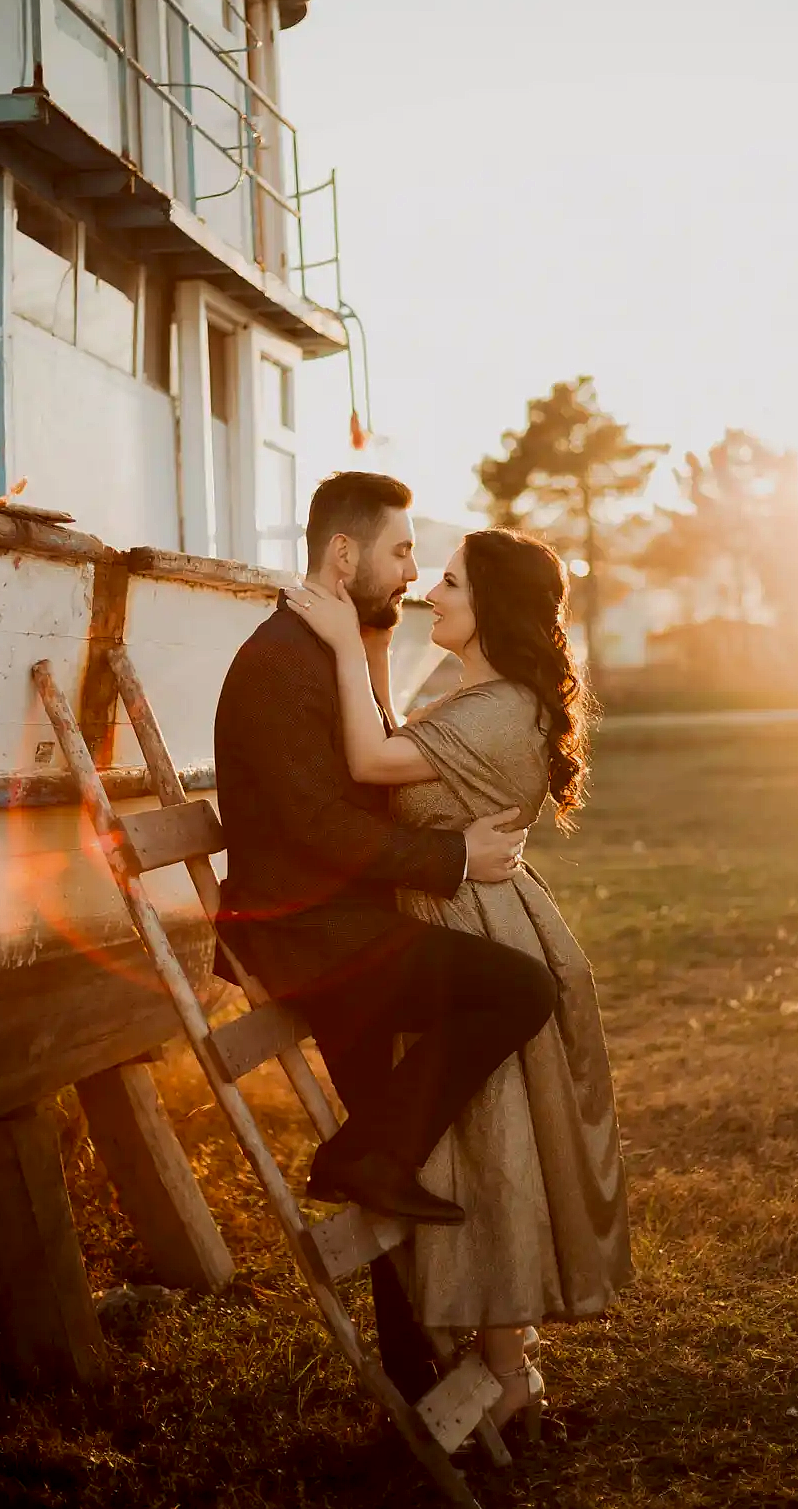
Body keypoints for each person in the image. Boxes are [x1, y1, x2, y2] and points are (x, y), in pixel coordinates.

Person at [213, 473, 558, 1404]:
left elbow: (369, 775)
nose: (412, 573)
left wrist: (366, 644)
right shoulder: (279, 663)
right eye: (402, 552)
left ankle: (412, 1364)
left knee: (390, 1140)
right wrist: (453, 858)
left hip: (348, 924)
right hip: (310, 935)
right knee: (520, 990)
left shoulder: (320, 649)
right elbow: (320, 826)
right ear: (343, 554)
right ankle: (366, 1162)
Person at [282, 524, 632, 1436]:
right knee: (479, 1145)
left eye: (450, 583)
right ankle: (510, 1369)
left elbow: (371, 762)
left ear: (493, 607)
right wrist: (369, 647)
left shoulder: (502, 709)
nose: (430, 595)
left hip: (472, 924)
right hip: (458, 914)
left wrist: (340, 644)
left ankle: (509, 1373)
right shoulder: (480, 694)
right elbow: (401, 744)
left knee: (489, 1143)